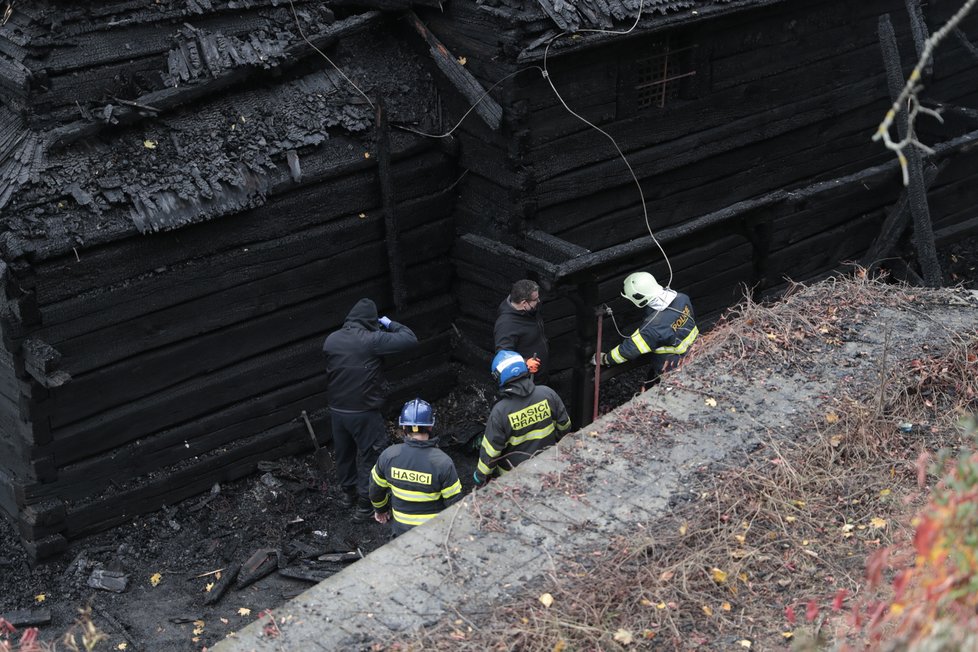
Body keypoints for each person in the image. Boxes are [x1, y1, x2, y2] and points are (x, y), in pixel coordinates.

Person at [323, 298, 418, 521]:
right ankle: (365, 506)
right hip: (363, 411)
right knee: (371, 456)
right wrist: (388, 322)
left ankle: (348, 495)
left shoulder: (331, 340)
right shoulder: (372, 339)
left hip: (337, 411)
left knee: (344, 454)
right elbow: (410, 339)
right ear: (370, 321)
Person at [473, 350, 571, 486]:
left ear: (499, 377)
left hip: (514, 478)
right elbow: (565, 427)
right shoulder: (548, 394)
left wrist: (480, 477)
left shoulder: (500, 412)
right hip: (550, 467)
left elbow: (490, 453)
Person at [369, 398, 462, 536]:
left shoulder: (389, 456)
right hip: (433, 532)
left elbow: (375, 489)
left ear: (404, 427)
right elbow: (455, 504)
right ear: (430, 427)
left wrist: (380, 510)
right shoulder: (443, 462)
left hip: (401, 531)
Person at [596, 272, 698, 389]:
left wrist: (605, 359)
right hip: (697, 349)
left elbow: (628, 350)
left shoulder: (653, 328)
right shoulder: (682, 298)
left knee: (670, 391)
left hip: (672, 366)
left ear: (639, 297)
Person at [493, 279, 549, 384]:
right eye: (535, 299)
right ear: (524, 303)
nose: (539, 301)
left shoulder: (530, 311)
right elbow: (503, 357)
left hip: (541, 375)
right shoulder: (506, 325)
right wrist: (525, 363)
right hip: (527, 382)